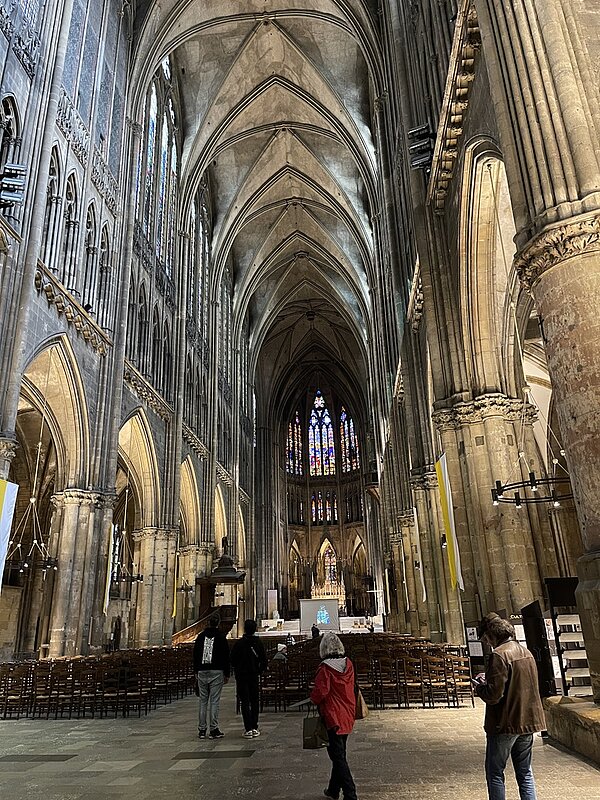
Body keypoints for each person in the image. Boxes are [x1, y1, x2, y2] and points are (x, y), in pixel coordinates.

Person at [474, 613, 545, 800]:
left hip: (506, 722)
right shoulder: (526, 652)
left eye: (487, 639)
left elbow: (494, 695)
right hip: (527, 721)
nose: (488, 643)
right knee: (525, 772)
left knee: (495, 772)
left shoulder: (499, 655)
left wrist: (480, 687)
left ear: (492, 636)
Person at [310, 632, 358, 800]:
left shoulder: (325, 668)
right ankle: (333, 790)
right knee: (339, 753)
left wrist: (312, 698)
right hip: (347, 713)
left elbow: (321, 692)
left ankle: (350, 793)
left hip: (333, 715)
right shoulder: (349, 664)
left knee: (337, 757)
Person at [192, 612, 231, 739]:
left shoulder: (200, 637)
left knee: (203, 701)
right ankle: (213, 729)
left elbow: (196, 655)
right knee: (214, 701)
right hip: (216, 671)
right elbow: (226, 656)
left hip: (202, 671)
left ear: (208, 623)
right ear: (218, 623)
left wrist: (196, 672)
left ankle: (202, 730)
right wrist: (227, 673)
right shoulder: (220, 637)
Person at [230, 619, 267, 738]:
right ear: (255, 629)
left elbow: (232, 660)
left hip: (241, 676)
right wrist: (259, 671)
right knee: (255, 701)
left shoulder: (239, 643)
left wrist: (238, 669)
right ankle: (254, 726)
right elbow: (264, 660)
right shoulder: (258, 643)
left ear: (245, 629)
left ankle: (248, 728)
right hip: (253, 675)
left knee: (245, 701)